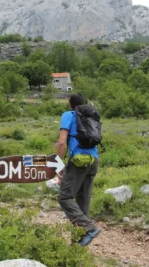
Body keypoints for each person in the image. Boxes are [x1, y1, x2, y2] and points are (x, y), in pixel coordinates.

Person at [57, 93, 100, 247]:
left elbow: (62, 142)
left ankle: (90, 228)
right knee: (83, 202)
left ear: (70, 104)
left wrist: (57, 163)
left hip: (79, 161)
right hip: (94, 160)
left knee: (64, 197)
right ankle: (77, 246)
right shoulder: (91, 116)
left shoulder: (69, 115)